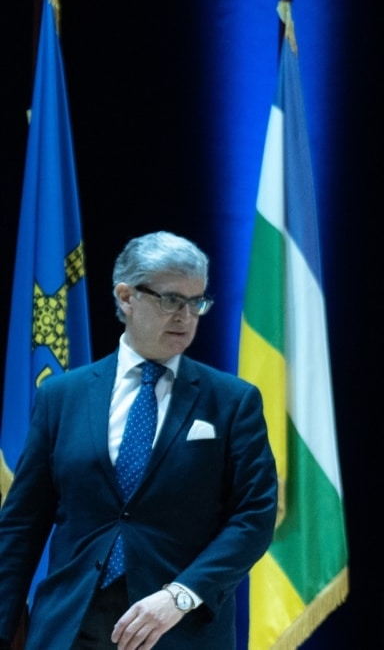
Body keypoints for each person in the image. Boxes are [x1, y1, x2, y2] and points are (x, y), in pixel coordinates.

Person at [0, 231, 277, 649]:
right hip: (70, 628)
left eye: (196, 302)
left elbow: (254, 516)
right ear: (127, 297)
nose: (185, 316)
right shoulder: (62, 396)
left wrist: (180, 595)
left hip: (178, 629)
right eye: (171, 300)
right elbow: (22, 524)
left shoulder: (232, 401)